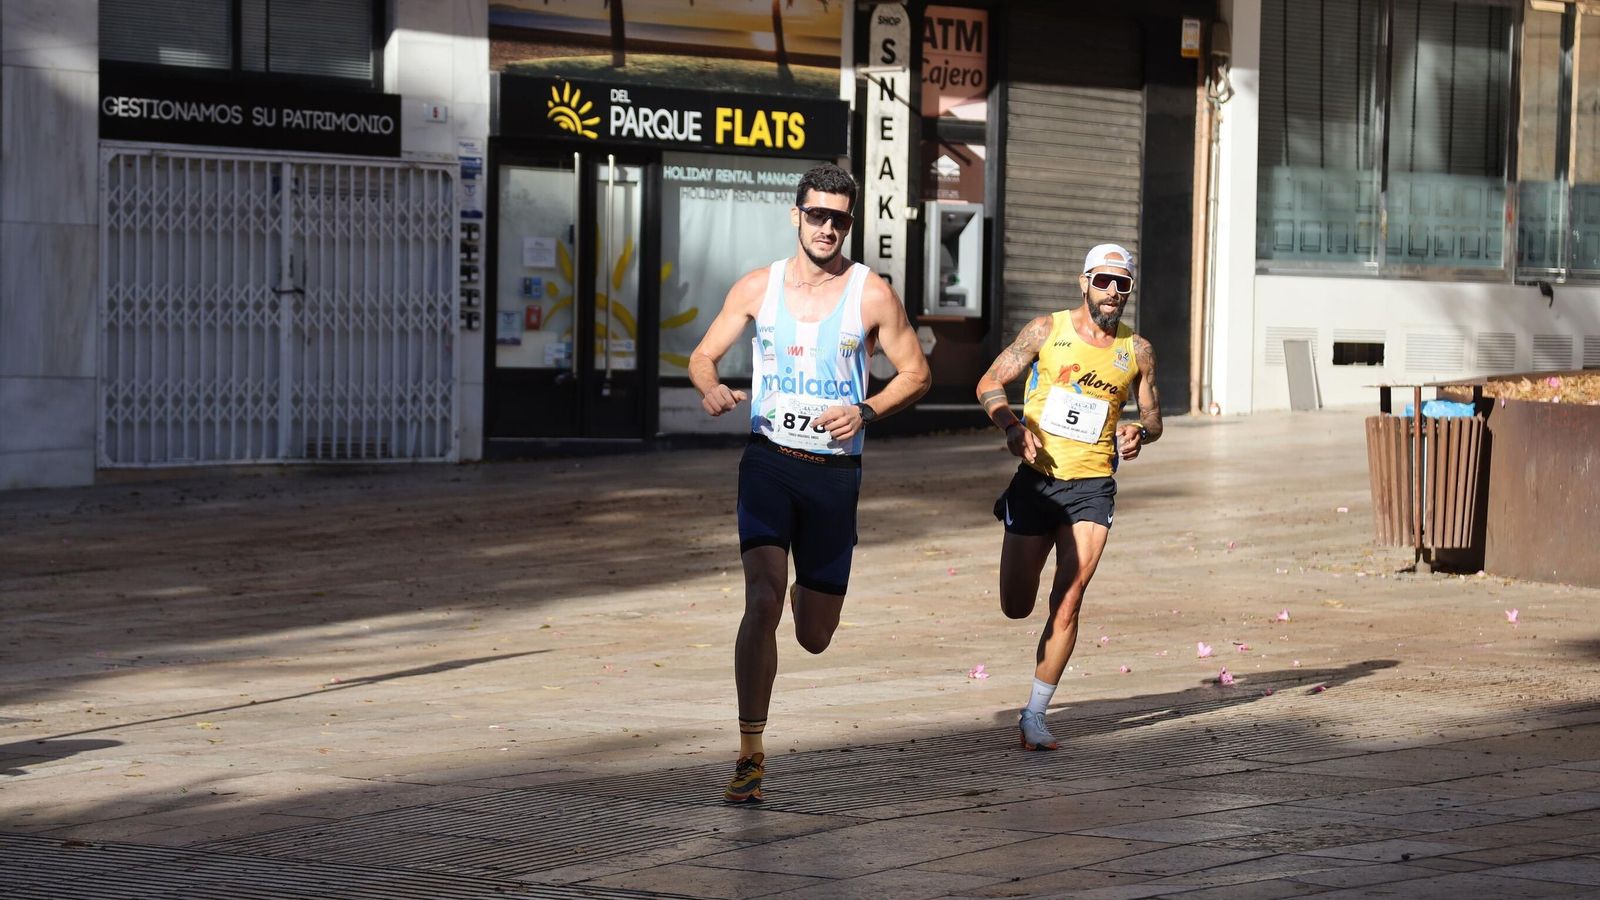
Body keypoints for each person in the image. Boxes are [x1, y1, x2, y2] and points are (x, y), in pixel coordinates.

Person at [689, 163, 931, 802]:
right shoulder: (756, 287)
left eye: (840, 219)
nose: (827, 227)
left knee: (814, 636)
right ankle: (748, 755)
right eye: (817, 214)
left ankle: (807, 593)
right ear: (795, 214)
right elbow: (702, 354)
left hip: (834, 478)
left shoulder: (870, 292)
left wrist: (868, 409)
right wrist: (712, 388)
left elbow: (916, 373)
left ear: (851, 224)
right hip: (768, 463)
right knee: (761, 601)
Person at [974, 243, 1162, 751]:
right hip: (1037, 481)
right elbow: (988, 381)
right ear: (1084, 282)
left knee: (1070, 598)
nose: (1113, 292)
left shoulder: (1136, 351)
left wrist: (1138, 434)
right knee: (1017, 604)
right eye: (1104, 280)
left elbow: (1152, 418)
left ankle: (1034, 714)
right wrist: (1011, 425)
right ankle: (1012, 521)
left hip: (1093, 487)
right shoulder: (1045, 331)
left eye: (1122, 284)